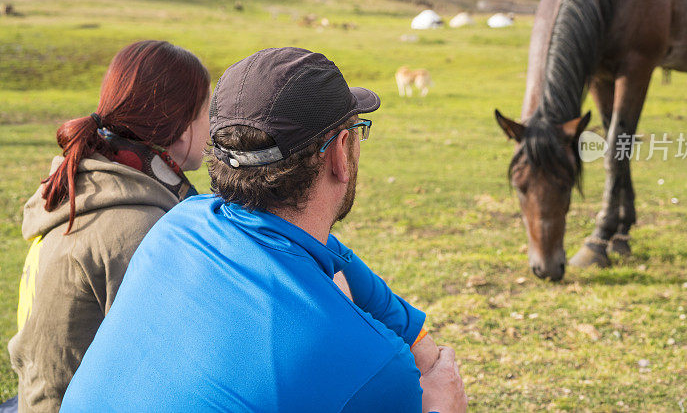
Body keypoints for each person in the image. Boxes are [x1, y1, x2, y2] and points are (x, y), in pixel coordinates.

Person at [61, 47, 467, 412]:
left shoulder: (181, 222)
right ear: (340, 153)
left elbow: (330, 253)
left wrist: (416, 340)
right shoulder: (376, 372)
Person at [8, 40, 211, 413]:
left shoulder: (88, 183)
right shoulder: (140, 227)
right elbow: (173, 366)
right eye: (206, 112)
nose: (211, 126)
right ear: (183, 127)